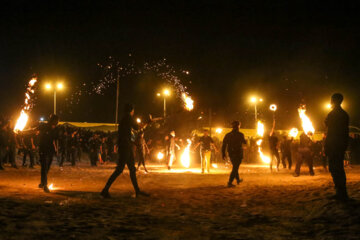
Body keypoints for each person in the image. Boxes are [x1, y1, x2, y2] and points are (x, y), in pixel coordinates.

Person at [101, 104, 149, 198]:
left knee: (132, 169)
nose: (133, 112)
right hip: (126, 147)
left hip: (127, 146)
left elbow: (134, 130)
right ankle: (105, 190)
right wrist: (148, 122)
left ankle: (137, 191)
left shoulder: (125, 118)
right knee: (119, 170)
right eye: (133, 110)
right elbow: (137, 127)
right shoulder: (128, 117)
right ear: (131, 110)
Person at [325, 93, 349, 201]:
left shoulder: (334, 114)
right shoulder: (344, 114)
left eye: (331, 99)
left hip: (334, 144)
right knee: (338, 168)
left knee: (335, 168)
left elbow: (330, 130)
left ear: (334, 100)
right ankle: (341, 192)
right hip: (339, 144)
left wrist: (327, 145)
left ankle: (341, 193)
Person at [222, 121, 247, 187]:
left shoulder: (228, 135)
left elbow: (224, 145)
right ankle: (230, 182)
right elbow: (244, 142)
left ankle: (238, 179)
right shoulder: (240, 134)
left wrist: (223, 154)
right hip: (238, 153)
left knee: (235, 167)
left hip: (231, 153)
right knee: (235, 167)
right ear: (238, 126)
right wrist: (246, 141)